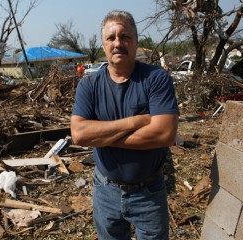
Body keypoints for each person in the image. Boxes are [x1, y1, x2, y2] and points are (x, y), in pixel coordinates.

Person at [71, 10, 179, 240]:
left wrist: (102, 136)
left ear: (136, 41)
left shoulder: (156, 78)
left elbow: (164, 134)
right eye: (111, 38)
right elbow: (79, 135)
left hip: (148, 192)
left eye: (125, 37)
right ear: (103, 44)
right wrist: (136, 121)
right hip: (105, 190)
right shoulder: (89, 85)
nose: (118, 43)